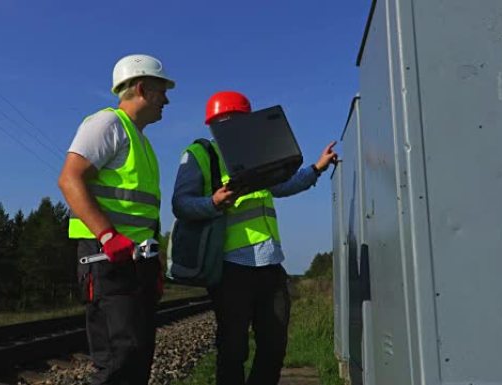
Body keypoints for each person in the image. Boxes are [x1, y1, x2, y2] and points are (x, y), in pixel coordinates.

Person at [171, 90, 338, 385]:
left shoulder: (259, 153)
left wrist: (315, 170)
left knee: (274, 346)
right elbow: (181, 204)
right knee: (233, 349)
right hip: (230, 268)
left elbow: (282, 186)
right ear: (212, 124)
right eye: (222, 121)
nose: (228, 125)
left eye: (235, 119)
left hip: (271, 265)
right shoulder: (200, 154)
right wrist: (213, 202)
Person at [58, 54, 174, 385]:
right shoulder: (107, 125)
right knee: (117, 362)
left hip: (137, 263)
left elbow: (142, 212)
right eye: (161, 90)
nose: (166, 99)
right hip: (107, 259)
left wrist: (155, 262)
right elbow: (70, 179)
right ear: (141, 88)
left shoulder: (141, 141)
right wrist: (108, 236)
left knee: (136, 360)